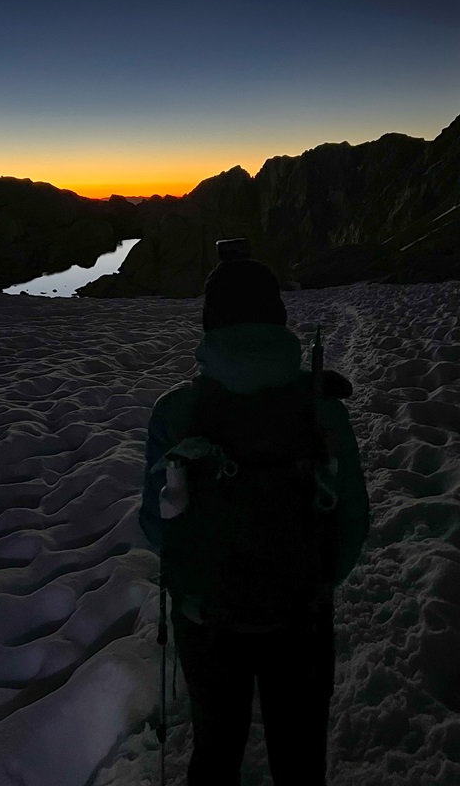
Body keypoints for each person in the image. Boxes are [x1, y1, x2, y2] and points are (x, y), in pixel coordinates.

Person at [139, 258, 370, 786]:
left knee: (216, 750)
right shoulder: (323, 410)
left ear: (209, 322)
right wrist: (314, 580)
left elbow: (157, 526)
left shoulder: (176, 411)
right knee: (300, 755)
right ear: (278, 318)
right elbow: (353, 518)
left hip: (208, 619)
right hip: (302, 615)